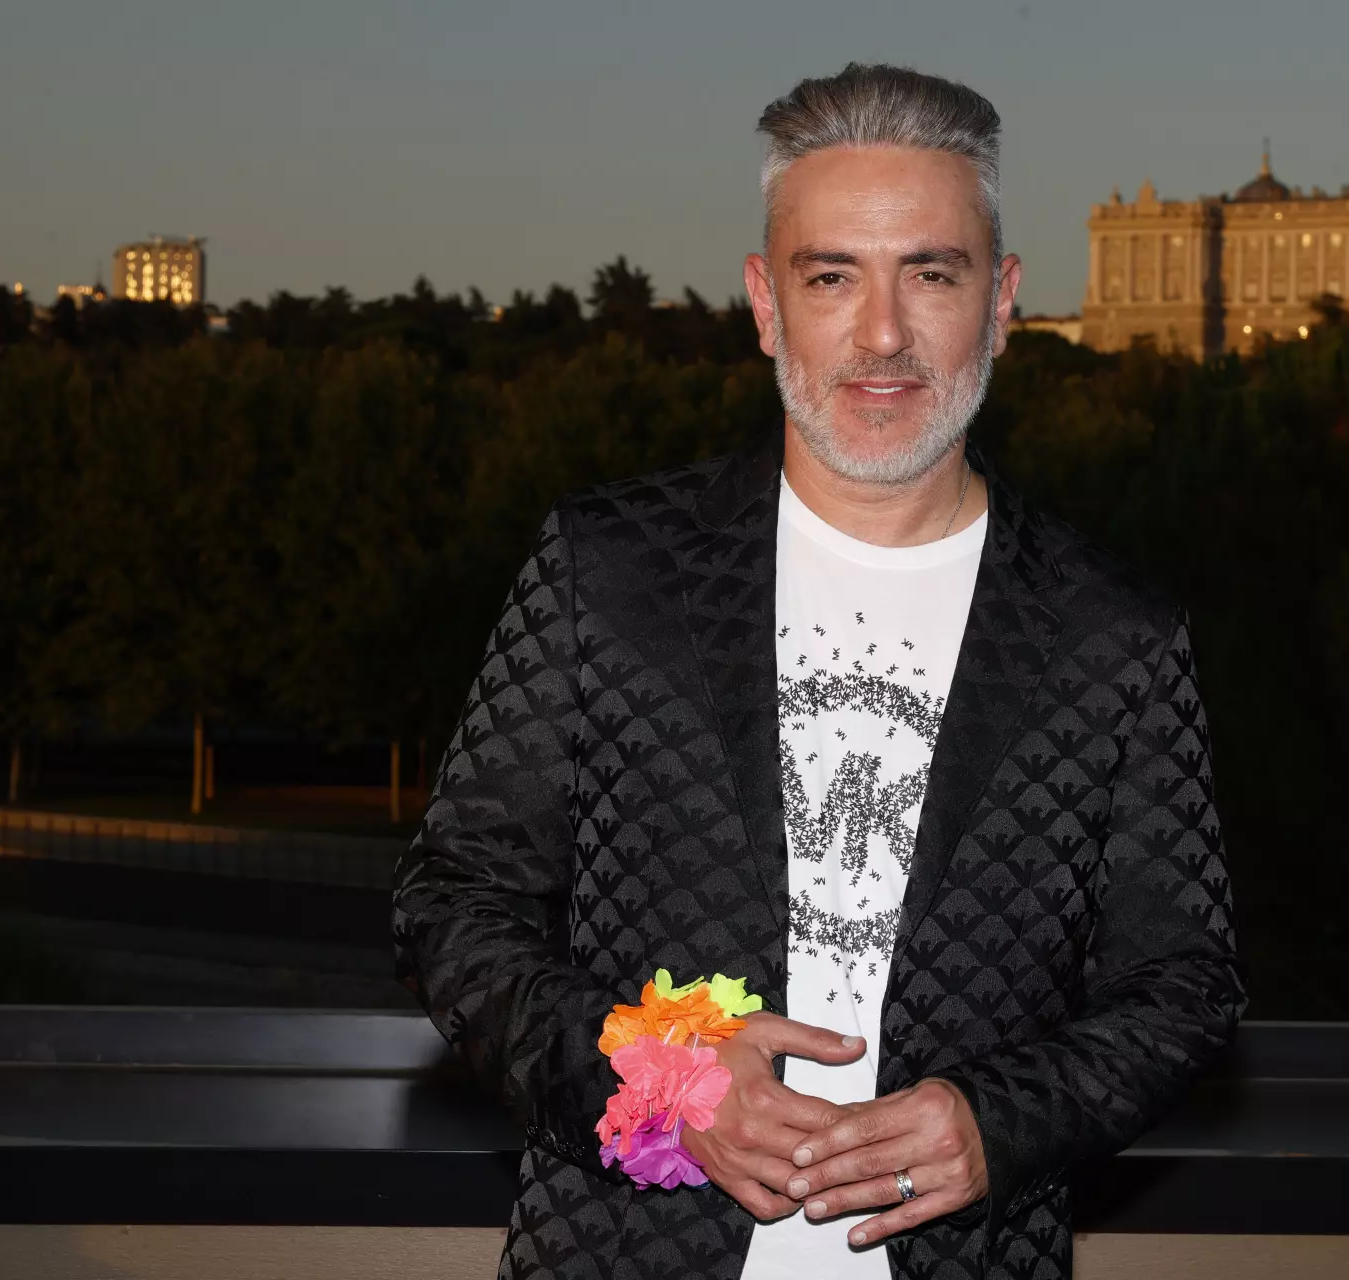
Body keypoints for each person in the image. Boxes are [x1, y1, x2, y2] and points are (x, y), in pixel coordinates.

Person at [393, 62, 1246, 1280]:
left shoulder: (1117, 632)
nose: (883, 333)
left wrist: (999, 1121)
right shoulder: (608, 567)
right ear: (764, 303)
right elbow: (451, 906)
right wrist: (664, 1077)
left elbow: (1184, 984)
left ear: (1003, 301)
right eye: (831, 276)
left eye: (932, 274)